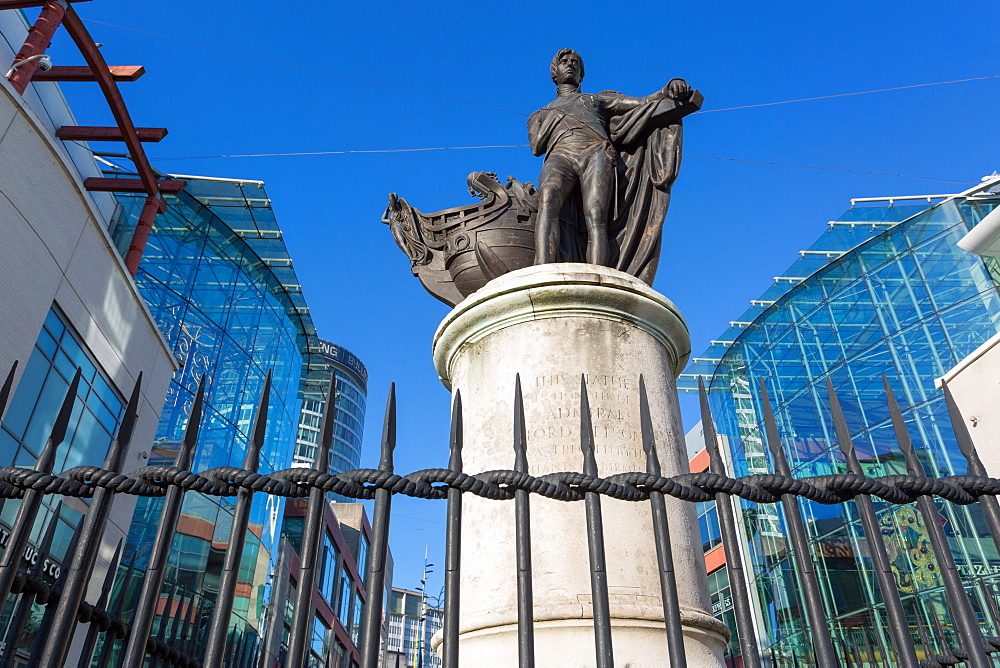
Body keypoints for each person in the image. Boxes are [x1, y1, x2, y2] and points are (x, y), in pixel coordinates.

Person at [528, 48, 691, 267]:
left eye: (576, 62)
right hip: (560, 155)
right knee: (547, 201)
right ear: (554, 73)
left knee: (596, 216)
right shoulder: (540, 114)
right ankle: (542, 268)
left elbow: (642, 103)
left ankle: (600, 275)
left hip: (596, 152)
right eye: (564, 61)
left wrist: (669, 86)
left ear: (581, 75)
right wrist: (554, 114)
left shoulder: (596, 100)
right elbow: (537, 147)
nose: (570, 64)